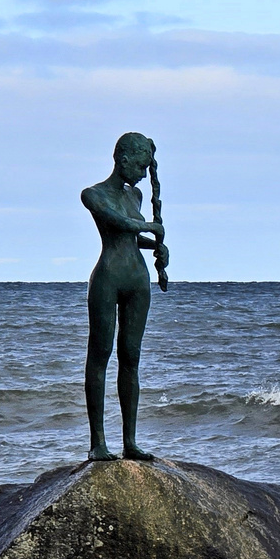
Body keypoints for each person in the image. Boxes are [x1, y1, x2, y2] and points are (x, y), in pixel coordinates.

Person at [80, 132, 169, 461]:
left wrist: (158, 245)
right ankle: (98, 443)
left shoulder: (137, 197)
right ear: (122, 160)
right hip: (108, 279)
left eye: (149, 167)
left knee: (131, 358)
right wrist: (149, 228)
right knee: (100, 356)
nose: (144, 174)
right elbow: (117, 223)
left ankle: (130, 442)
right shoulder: (93, 195)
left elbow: (131, 235)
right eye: (141, 166)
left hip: (137, 281)